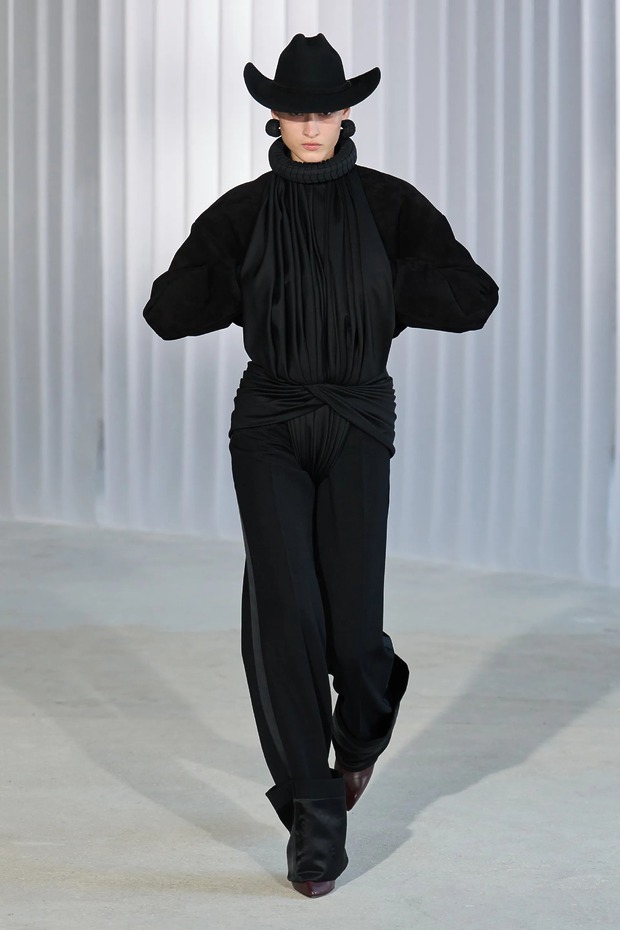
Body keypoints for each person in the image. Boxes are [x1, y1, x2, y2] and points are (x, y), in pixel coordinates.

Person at [143, 33, 499, 898]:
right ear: (275, 115)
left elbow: (473, 296)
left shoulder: (391, 206)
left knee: (353, 628)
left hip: (357, 419)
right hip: (268, 421)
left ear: (348, 114)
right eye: (296, 111)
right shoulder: (241, 212)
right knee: (286, 616)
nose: (311, 124)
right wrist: (246, 286)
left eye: (326, 109)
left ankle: (366, 722)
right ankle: (315, 815)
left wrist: (380, 288)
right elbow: (168, 311)